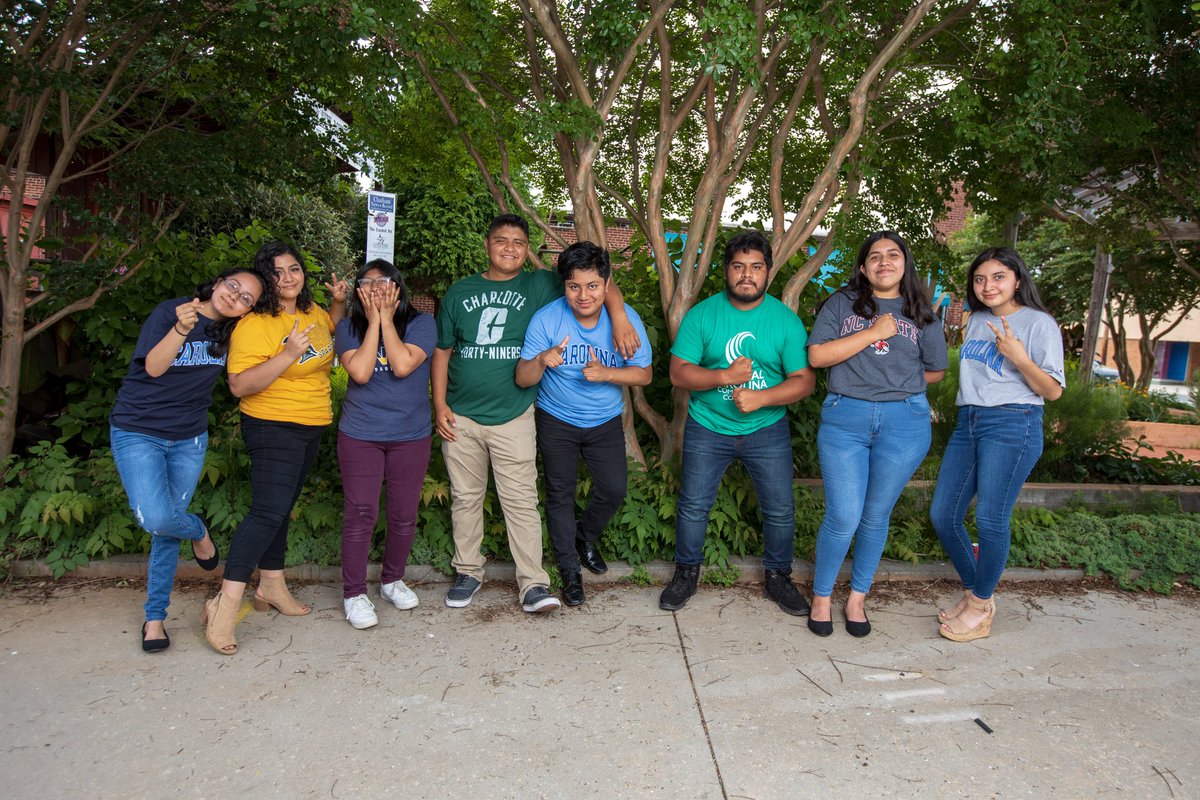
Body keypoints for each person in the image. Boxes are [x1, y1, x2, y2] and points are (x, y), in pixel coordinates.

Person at [432, 214, 640, 614]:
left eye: (517, 241)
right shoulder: (460, 292)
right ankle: (468, 571)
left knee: (522, 501)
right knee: (465, 497)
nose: (509, 247)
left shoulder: (539, 284)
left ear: (528, 249)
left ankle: (532, 583)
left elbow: (597, 280)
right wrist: (439, 405)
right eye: (500, 240)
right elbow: (442, 350)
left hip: (513, 413)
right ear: (487, 244)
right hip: (462, 415)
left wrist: (620, 317)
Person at [200, 240, 349, 655]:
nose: (288, 278)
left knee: (280, 507)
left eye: (295, 269)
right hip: (271, 423)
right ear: (266, 280)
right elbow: (239, 385)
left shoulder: (311, 312)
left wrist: (337, 304)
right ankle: (224, 605)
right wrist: (285, 355)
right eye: (277, 272)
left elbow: (327, 335)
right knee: (266, 512)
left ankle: (271, 585)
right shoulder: (254, 323)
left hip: (311, 423)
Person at [111, 266, 270, 652]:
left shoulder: (231, 333)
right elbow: (153, 367)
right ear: (218, 283)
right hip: (138, 430)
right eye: (233, 286)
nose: (236, 296)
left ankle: (155, 618)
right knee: (157, 517)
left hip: (188, 438)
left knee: (165, 530)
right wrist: (181, 330)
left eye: (247, 297)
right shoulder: (173, 311)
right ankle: (199, 531)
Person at [659, 230, 816, 614]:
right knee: (694, 504)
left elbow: (804, 381)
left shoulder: (784, 321)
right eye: (738, 266)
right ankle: (686, 573)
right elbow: (679, 373)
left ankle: (778, 577)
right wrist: (723, 378)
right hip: (707, 424)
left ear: (768, 272)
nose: (747, 275)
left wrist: (762, 397)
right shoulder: (703, 315)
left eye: (756, 267)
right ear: (726, 271)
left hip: (767, 428)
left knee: (779, 508)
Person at [805, 231, 947, 637]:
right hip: (846, 418)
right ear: (864, 267)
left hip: (904, 422)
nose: (884, 262)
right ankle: (820, 595)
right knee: (844, 514)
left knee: (874, 515)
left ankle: (857, 598)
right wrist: (871, 333)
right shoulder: (841, 304)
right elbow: (817, 356)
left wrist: (894, 381)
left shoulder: (923, 311)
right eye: (875, 257)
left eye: (893, 255)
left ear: (905, 263)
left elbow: (935, 370)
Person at [931, 247, 1064, 642]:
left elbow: (1053, 391)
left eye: (998, 277)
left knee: (990, 519)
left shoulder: (1039, 324)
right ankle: (979, 594)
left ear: (1018, 279)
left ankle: (978, 605)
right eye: (980, 279)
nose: (988, 286)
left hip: (1013, 423)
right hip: (969, 421)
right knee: (943, 514)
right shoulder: (977, 321)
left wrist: (1021, 359)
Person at [516, 241, 652, 606]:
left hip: (604, 421)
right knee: (560, 494)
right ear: (564, 286)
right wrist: (544, 359)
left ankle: (584, 536)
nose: (583, 295)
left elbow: (645, 375)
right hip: (556, 418)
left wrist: (608, 373)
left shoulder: (625, 321)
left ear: (606, 286)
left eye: (592, 286)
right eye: (574, 286)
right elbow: (523, 378)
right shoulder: (547, 319)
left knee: (614, 489)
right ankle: (570, 573)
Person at [335, 260, 436, 629]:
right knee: (361, 513)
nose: (376, 288)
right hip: (361, 434)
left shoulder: (422, 324)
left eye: (385, 281)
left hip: (410, 435)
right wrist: (375, 321)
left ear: (399, 286)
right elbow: (360, 372)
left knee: (404, 514)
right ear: (358, 290)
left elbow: (402, 365)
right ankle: (354, 593)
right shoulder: (347, 327)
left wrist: (388, 320)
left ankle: (392, 580)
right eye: (368, 282)